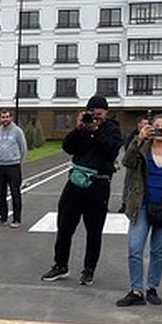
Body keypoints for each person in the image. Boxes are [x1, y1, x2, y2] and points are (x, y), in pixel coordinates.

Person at [42, 95, 123, 285]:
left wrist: (96, 131)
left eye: (99, 113)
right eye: (92, 113)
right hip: (76, 182)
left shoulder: (113, 129)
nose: (95, 117)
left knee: (94, 230)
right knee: (64, 226)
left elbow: (111, 151)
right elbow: (67, 147)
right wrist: (78, 129)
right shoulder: (82, 129)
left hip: (99, 183)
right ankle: (60, 264)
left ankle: (89, 269)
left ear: (106, 112)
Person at [116, 114, 162, 307]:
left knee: (158, 250)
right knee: (134, 248)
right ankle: (136, 290)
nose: (160, 129)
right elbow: (127, 162)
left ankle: (152, 287)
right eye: (156, 125)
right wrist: (139, 139)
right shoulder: (141, 147)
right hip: (141, 205)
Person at [0, 109, 28, 228]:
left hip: (14, 166)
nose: (5, 119)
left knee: (15, 193)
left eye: (7, 117)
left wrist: (19, 162)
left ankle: (16, 219)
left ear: (11, 118)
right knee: (1, 193)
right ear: (0, 119)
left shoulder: (17, 131)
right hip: (1, 166)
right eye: (3, 117)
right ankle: (2, 217)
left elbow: (23, 148)